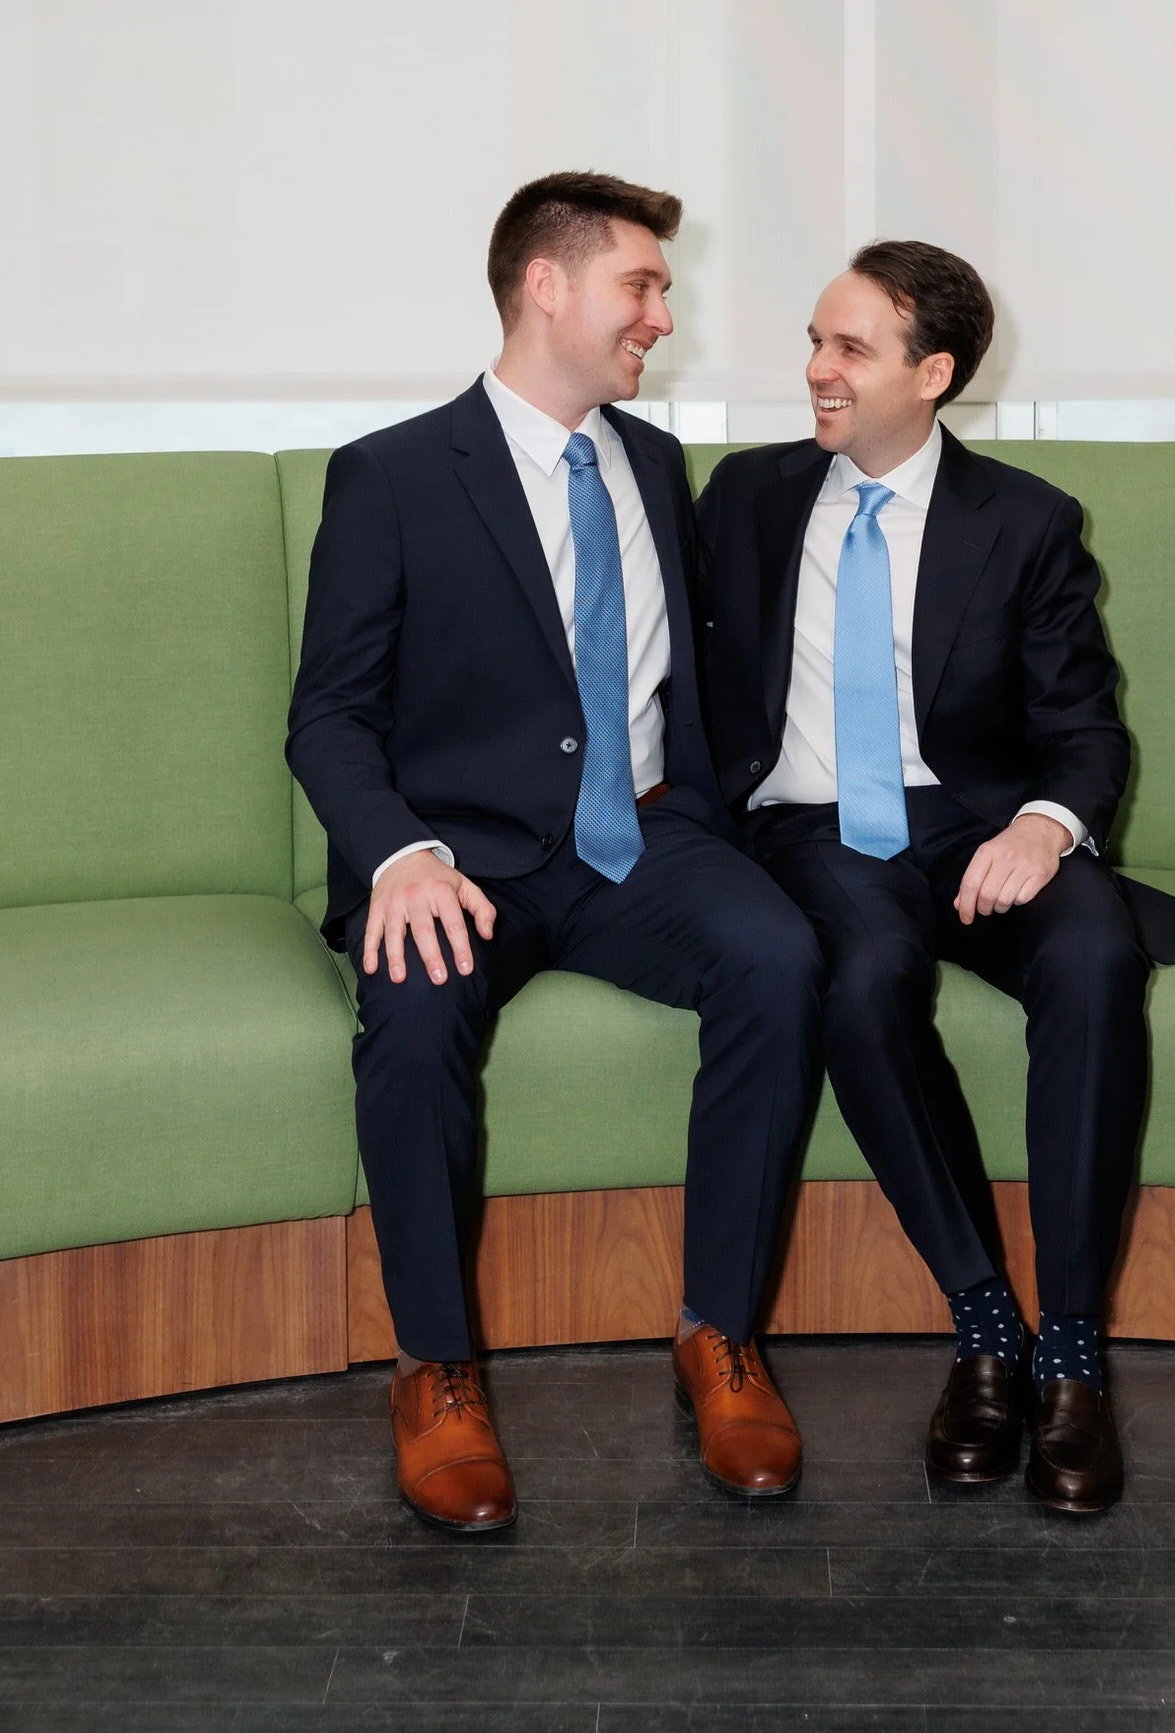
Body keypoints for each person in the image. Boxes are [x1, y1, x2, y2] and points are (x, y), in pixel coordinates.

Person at [287, 171, 824, 1533]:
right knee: (412, 1017)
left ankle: (718, 1332)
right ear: (546, 285)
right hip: (459, 859)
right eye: (641, 286)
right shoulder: (393, 475)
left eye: (663, 291)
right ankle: (435, 1367)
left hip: (639, 837)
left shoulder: (652, 462)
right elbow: (328, 715)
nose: (662, 316)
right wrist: (397, 854)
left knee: (777, 958)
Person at [696, 240, 1175, 1513]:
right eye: (814, 341)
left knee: (1095, 956)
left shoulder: (1024, 519)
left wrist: (1043, 828)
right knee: (860, 984)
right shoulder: (744, 497)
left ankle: (1068, 1352)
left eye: (849, 348)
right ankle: (983, 1327)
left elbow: (1084, 726)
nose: (817, 369)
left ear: (932, 373)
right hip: (814, 829)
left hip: (979, 823)